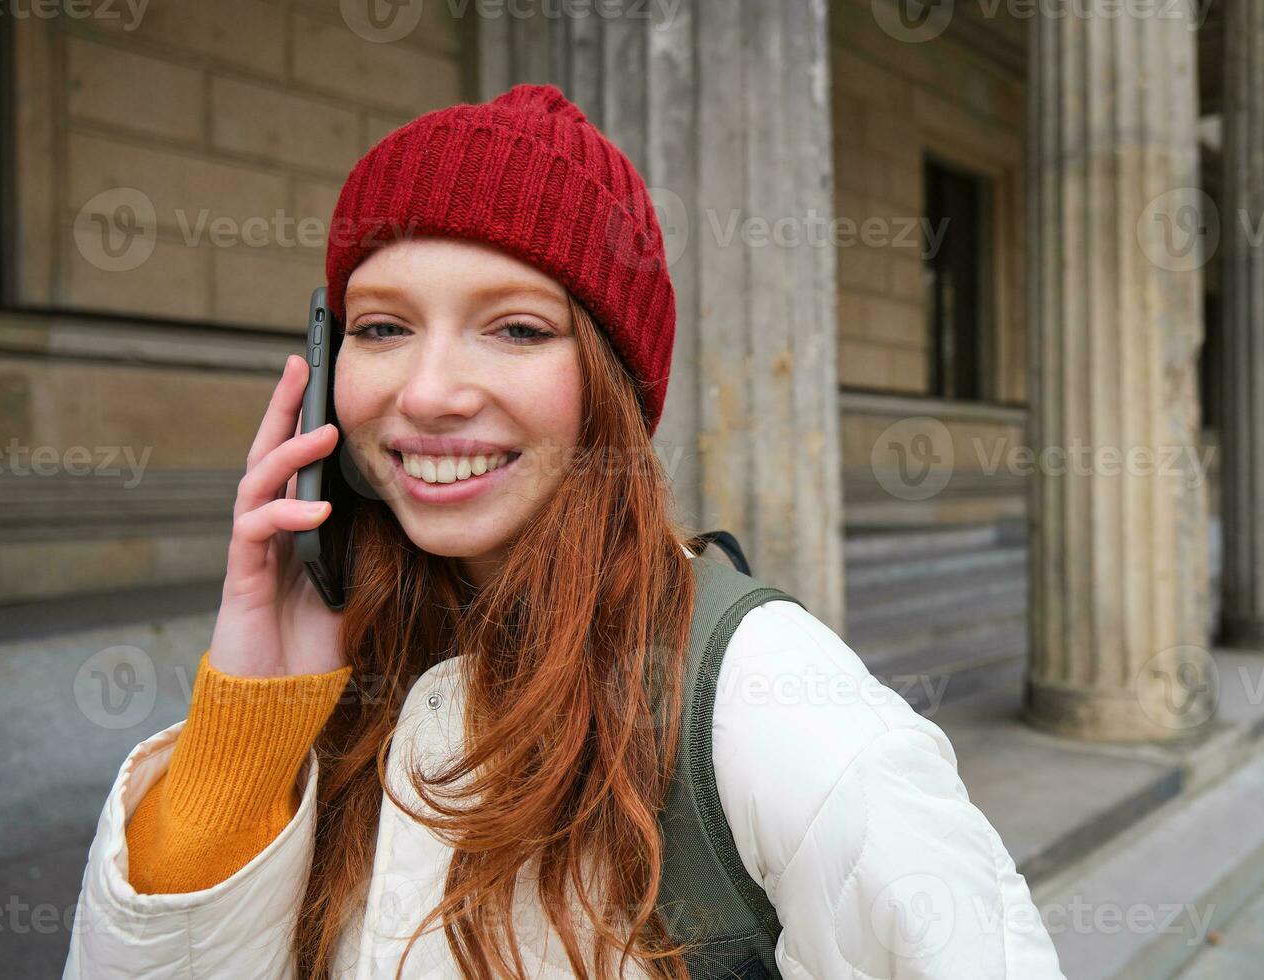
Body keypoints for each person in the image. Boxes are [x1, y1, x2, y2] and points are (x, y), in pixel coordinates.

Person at [62, 83, 1064, 980]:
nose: (430, 391)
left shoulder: (772, 703)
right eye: (381, 327)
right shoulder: (334, 668)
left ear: (609, 390)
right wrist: (255, 708)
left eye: (517, 328)